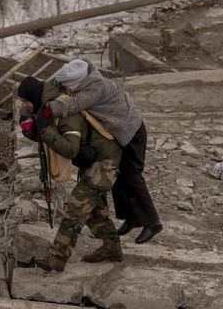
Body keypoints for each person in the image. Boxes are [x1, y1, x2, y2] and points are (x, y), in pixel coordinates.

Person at [46, 59, 163, 244]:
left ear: (78, 82)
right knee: (118, 176)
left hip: (131, 131)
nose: (67, 90)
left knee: (132, 176)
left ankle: (152, 222)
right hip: (119, 132)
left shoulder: (95, 87)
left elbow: (75, 104)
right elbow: (56, 84)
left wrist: (49, 110)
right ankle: (132, 218)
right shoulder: (83, 76)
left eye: (69, 87)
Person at [18, 76, 124, 272]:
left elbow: (70, 149)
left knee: (75, 208)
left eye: (25, 102)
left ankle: (56, 258)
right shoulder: (47, 107)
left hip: (106, 161)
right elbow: (46, 133)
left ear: (34, 96)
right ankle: (112, 247)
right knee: (94, 210)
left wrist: (42, 126)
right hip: (93, 161)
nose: (23, 105)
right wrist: (29, 126)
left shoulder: (65, 110)